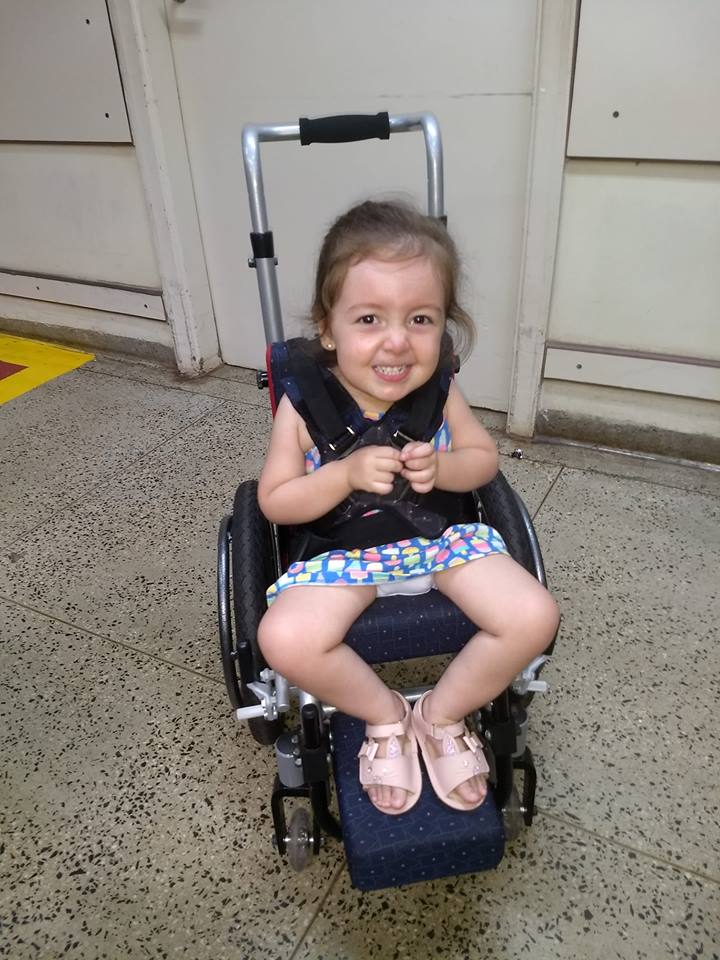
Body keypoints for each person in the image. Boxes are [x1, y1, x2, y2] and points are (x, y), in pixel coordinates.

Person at [257, 200, 559, 816]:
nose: (397, 340)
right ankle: (385, 714)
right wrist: (341, 475)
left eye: (420, 319)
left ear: (444, 326)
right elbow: (276, 501)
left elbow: (483, 459)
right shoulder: (303, 407)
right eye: (369, 318)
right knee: (283, 639)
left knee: (535, 616)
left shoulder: (439, 392)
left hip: (440, 539)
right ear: (328, 329)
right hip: (344, 556)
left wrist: (444, 468)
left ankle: (441, 714)